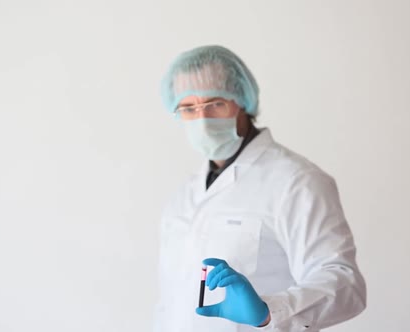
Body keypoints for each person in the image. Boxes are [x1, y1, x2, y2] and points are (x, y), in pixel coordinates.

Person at [153, 45, 366, 332]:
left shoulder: (297, 181)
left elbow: (345, 284)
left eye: (216, 103)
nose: (202, 119)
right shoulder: (185, 195)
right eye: (188, 108)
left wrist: (268, 312)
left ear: (242, 100)